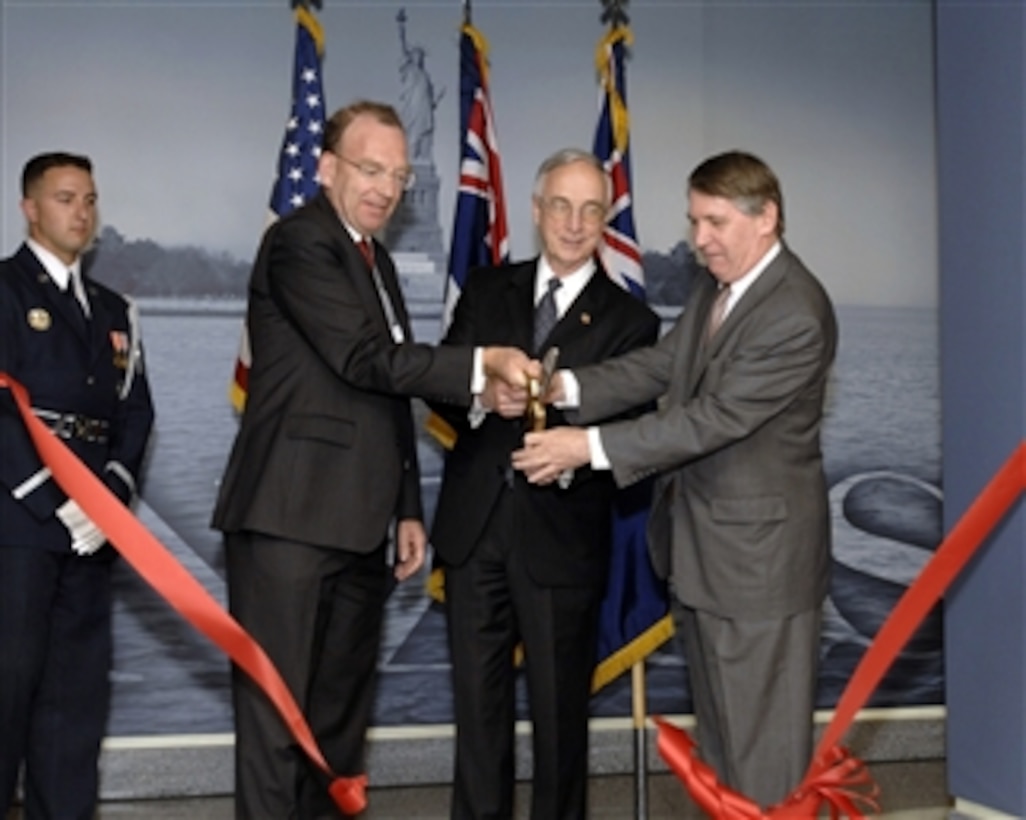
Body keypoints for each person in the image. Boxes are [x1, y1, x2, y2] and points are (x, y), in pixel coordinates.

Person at [210, 99, 534, 819]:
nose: (385, 187)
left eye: (398, 174)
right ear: (327, 168)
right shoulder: (300, 243)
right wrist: (482, 364)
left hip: (363, 530)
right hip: (288, 521)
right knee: (275, 722)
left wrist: (408, 508)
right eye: (369, 168)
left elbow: (389, 394)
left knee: (337, 728)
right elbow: (365, 359)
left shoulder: (375, 260)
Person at [513, 150, 838, 808]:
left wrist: (588, 447)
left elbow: (710, 420)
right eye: (695, 222)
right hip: (707, 557)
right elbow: (663, 367)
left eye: (715, 222)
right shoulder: (720, 288)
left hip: (760, 574)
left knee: (766, 770)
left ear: (766, 217)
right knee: (721, 760)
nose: (699, 240)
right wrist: (563, 384)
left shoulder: (794, 312)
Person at [430, 148, 660, 820]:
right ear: (535, 211)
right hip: (475, 534)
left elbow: (630, 432)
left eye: (591, 209)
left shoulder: (632, 322)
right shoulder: (484, 288)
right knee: (477, 718)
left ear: (604, 219)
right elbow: (442, 387)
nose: (574, 222)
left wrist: (573, 448)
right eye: (560, 205)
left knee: (561, 728)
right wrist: (481, 396)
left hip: (563, 541)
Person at [0, 152, 155, 818]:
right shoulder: (5, 290)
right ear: (30, 208)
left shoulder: (116, 310)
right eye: (66, 198)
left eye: (90, 199)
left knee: (75, 704)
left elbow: (135, 411)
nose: (82, 212)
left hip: (93, 533)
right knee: (7, 696)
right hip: (21, 526)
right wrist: (51, 500)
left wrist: (108, 498)